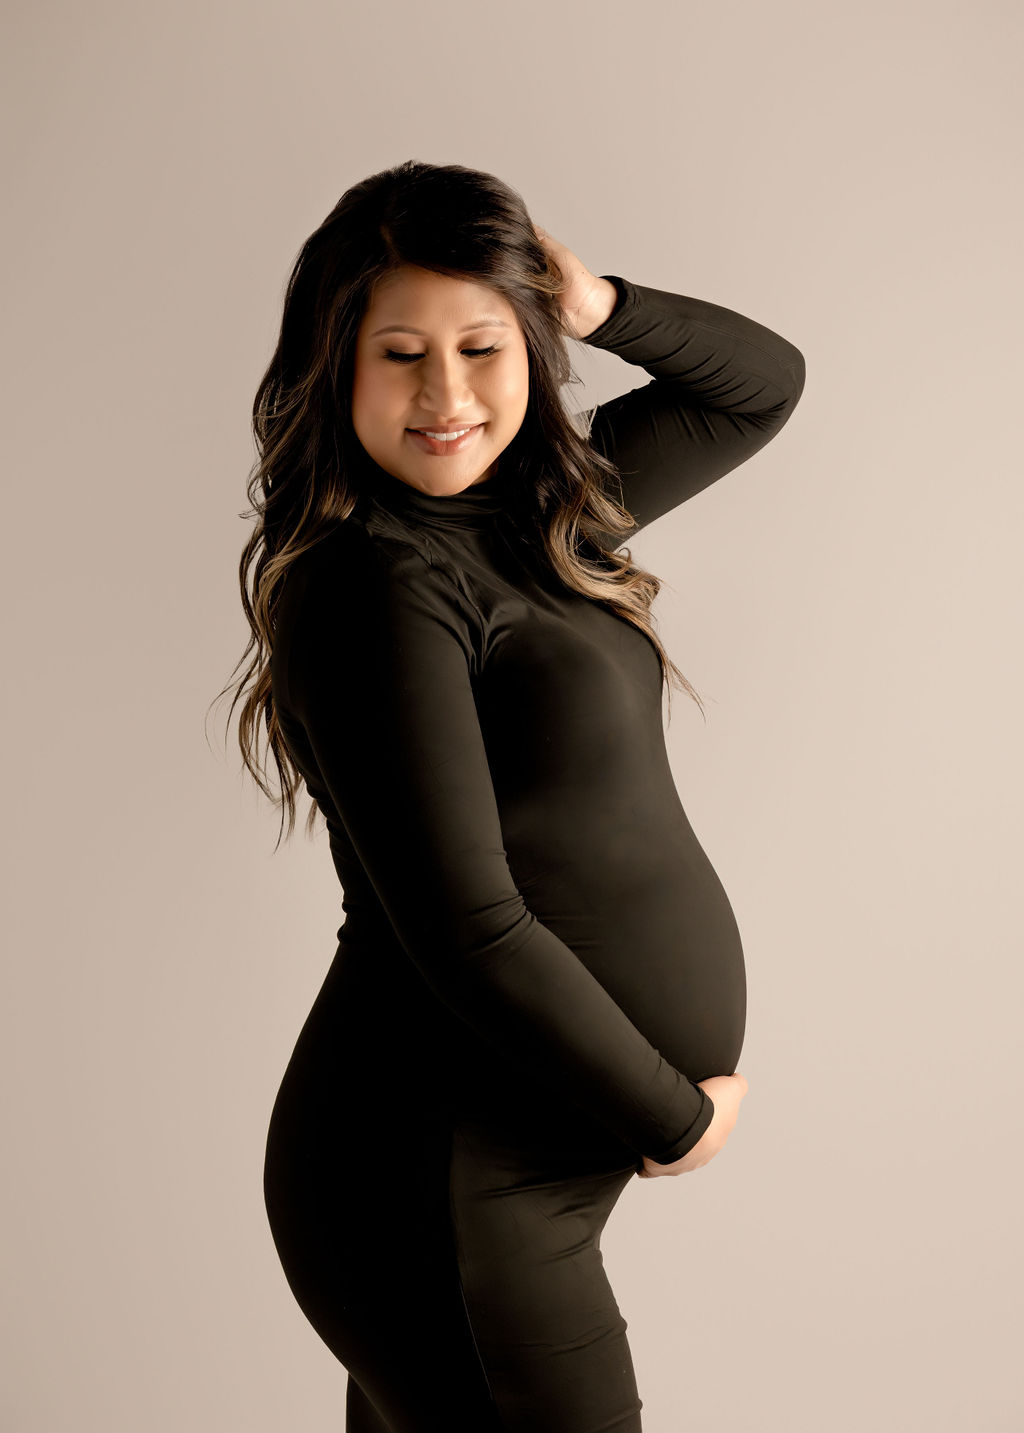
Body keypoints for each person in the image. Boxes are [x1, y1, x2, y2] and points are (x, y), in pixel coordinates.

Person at [223, 160, 805, 1432]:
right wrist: (670, 1117)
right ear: (337, 366)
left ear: (533, 348)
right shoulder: (375, 582)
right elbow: (464, 923)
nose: (446, 395)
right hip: (438, 1176)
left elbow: (759, 386)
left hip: (483, 1170)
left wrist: (594, 300)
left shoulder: (536, 518)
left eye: (483, 346)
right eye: (399, 353)